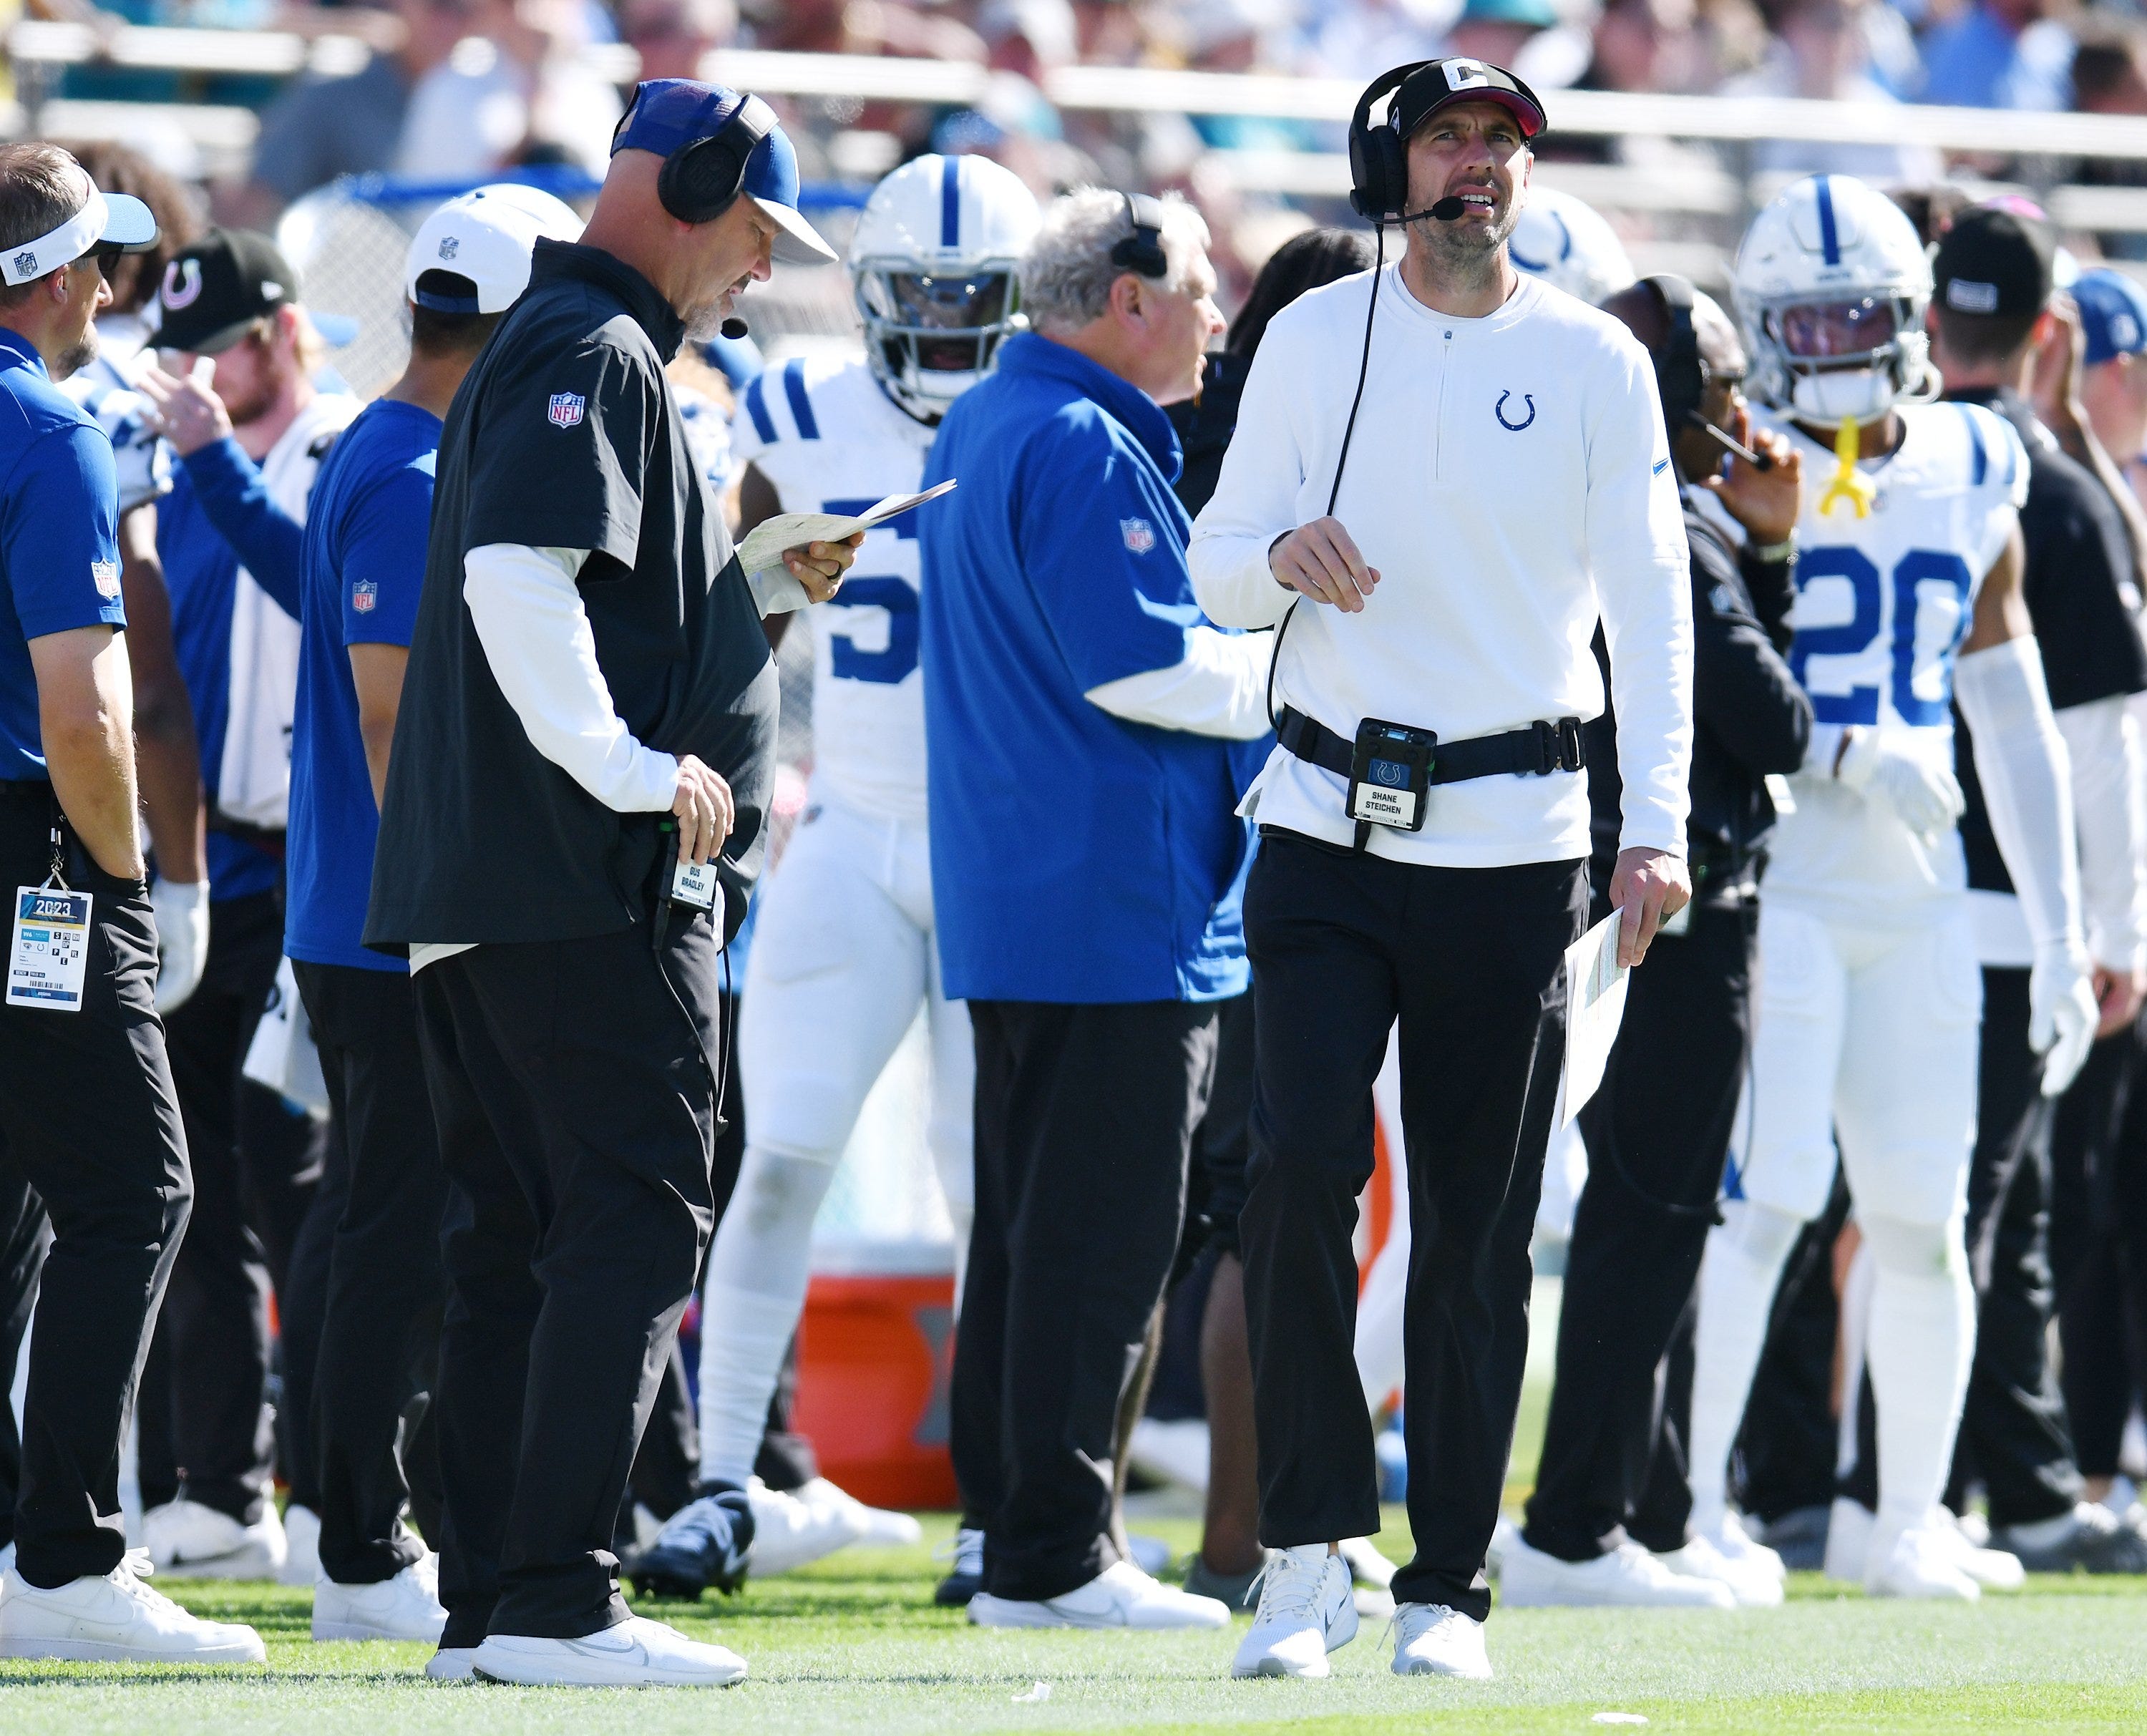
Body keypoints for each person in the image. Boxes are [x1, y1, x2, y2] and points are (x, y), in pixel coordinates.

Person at [1189, 57, 1695, 1684]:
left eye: (1503, 142)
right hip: (1324, 826)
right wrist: (1276, 562)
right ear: (1385, 166)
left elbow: (1655, 605)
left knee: (1476, 1228)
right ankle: (1301, 1550)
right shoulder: (1314, 334)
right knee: (1294, 1177)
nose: (1480, 166)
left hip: (1516, 844)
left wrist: (1658, 819)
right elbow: (1218, 562)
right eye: (1450, 139)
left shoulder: (1597, 357)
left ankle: (1449, 1587)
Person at [363, 78, 859, 1689]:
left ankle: (495, 1603)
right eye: (756, 235)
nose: (759, 274)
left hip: (500, 885)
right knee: (636, 1224)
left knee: (518, 1242)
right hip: (583, 884)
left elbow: (596, 602)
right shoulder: (597, 347)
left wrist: (760, 586)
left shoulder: (560, 345)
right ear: (701, 188)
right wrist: (639, 775)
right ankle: (561, 1597)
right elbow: (521, 581)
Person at [1684, 174, 2095, 1602]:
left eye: (1868, 312)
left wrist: (2062, 926)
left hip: (1917, 891)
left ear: (1914, 317)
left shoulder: (1979, 459)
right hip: (1783, 877)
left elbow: (2010, 697)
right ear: (1767, 328)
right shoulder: (1730, 452)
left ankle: (1902, 1515)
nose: (1848, 341)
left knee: (1922, 1215)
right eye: (1818, 318)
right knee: (1774, 1200)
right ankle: (1691, 1506)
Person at [636, 150, 1041, 1603]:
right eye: (913, 302)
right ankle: (723, 1480)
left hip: (1006, 847)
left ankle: (1007, 1507)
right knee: (782, 1151)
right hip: (858, 826)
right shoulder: (800, 404)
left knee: (990, 1186)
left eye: (968, 302)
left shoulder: (1048, 409)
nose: (939, 330)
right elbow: (728, 590)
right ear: (869, 300)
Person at [921, 185, 1267, 1634]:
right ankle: (1058, 1554)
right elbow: (1141, 670)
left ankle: (1020, 1531)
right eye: (1195, 287)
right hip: (1112, 904)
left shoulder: (994, 420)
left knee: (1029, 1232)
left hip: (1033, 897)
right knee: (1102, 1239)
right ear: (1125, 298)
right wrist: (1299, 679)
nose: (1214, 316)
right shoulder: (1076, 438)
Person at [286, 185, 585, 1647]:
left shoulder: (395, 445)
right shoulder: (413, 467)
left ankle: (351, 1529)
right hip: (392, 915)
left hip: (371, 907)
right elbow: (392, 709)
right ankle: (356, 1545)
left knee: (392, 1221)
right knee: (400, 1230)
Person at [1829, 208, 2147, 1576]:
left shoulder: (1865, 462)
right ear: (2047, 330)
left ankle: (1933, 1482)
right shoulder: (2053, 489)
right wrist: (2117, 927)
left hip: (1857, 878)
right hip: (2004, 905)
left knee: (1880, 1210)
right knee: (1963, 1214)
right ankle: (1898, 1495)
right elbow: (2095, 743)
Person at [1505, 277, 1814, 1610]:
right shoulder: (1677, 540)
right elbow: (1780, 723)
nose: (1747, 417)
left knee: (1660, 1214)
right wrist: (1777, 555)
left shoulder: (1651, 522)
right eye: (1728, 386)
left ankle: (1648, 1505)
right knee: (1647, 1213)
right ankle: (1578, 1523)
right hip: (1669, 920)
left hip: (1641, 907)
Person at [0, 140, 261, 1665]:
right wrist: (130, 879)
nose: (113, 283)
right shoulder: (45, 428)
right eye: (96, 257)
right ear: (48, 277)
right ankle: (64, 1558)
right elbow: (93, 718)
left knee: (21, 1206)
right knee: (137, 1192)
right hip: (33, 847)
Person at [127, 228, 361, 1581]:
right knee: (194, 1185)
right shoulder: (178, 456)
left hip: (309, 866)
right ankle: (222, 1483)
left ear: (277, 331)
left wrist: (210, 458)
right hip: (205, 863)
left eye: (215, 342)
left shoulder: (332, 449)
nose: (194, 375)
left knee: (304, 1183)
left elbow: (325, 599)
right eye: (181, 351)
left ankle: (338, 1486)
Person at [1161, 225, 1384, 1618]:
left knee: (1233, 1207)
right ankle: (1244, 1535)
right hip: (1276, 847)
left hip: (1214, 852)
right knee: (1260, 1205)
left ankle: (1248, 1526)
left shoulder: (1207, 437)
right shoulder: (1293, 458)